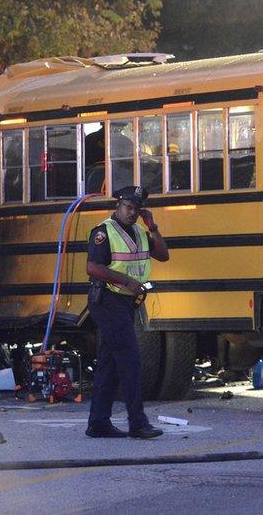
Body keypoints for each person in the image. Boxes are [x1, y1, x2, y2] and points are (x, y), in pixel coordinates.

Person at [85, 185, 169, 439]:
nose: (132, 213)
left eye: (137, 209)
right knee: (130, 361)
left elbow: (164, 255)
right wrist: (124, 281)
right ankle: (138, 422)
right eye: (129, 207)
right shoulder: (103, 232)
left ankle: (98, 422)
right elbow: (92, 267)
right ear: (118, 206)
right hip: (108, 300)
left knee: (109, 364)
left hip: (127, 303)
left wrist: (153, 227)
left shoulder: (141, 232)